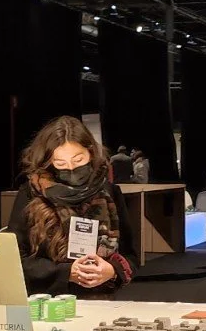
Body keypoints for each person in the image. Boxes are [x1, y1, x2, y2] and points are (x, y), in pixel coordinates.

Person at [7, 116, 136, 296]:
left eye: (78, 160)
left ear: (91, 152)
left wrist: (112, 270)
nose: (71, 168)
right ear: (48, 162)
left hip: (99, 299)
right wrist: (66, 273)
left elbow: (131, 255)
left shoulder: (109, 192)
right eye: (60, 163)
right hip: (48, 300)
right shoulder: (32, 193)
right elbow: (14, 258)